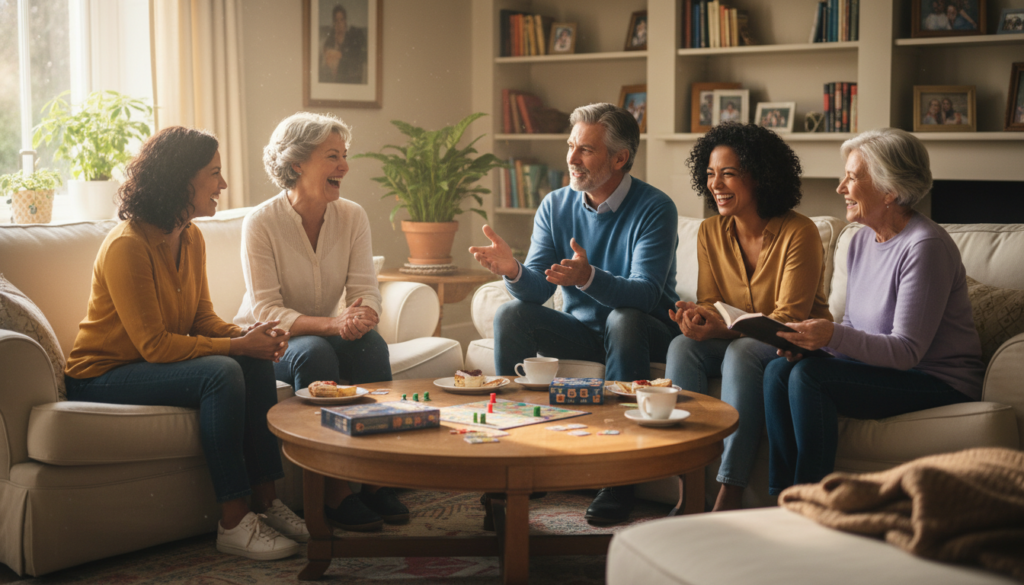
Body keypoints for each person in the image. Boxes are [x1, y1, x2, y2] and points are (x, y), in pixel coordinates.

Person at [63, 127, 307, 560]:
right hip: (102, 374)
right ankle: (232, 521)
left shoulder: (190, 236)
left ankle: (267, 502)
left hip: (145, 365)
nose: (224, 185)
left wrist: (247, 335)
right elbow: (154, 346)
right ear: (180, 180)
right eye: (214, 173)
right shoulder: (127, 246)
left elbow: (201, 320)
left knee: (249, 362)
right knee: (224, 370)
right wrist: (236, 349)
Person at [469, 103, 679, 525]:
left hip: (646, 328)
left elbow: (644, 293)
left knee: (623, 317)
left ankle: (619, 479)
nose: (571, 158)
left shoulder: (655, 208)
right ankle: (517, 460)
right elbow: (538, 288)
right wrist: (513, 270)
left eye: (586, 149)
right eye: (571, 146)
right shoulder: (555, 204)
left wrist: (587, 278)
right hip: (585, 332)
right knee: (512, 315)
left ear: (620, 158)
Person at [763, 128, 983, 495]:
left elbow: (906, 351)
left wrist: (832, 335)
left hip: (938, 381)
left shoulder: (924, 246)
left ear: (889, 190)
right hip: (885, 370)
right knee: (778, 370)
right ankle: (781, 498)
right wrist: (815, 344)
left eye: (852, 177)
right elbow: (853, 325)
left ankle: (813, 499)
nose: (840, 187)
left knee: (810, 378)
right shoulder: (861, 239)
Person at [238, 112, 404, 532]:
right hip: (269, 343)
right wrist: (334, 325)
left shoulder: (352, 216)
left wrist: (363, 314)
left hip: (327, 330)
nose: (344, 166)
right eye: (333, 156)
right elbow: (267, 312)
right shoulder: (261, 222)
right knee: (315, 351)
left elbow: (365, 288)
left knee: (371, 346)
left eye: (344, 155)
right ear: (297, 163)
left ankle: (375, 481)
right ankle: (333, 492)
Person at [664, 123, 831, 512]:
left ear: (759, 176)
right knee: (681, 345)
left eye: (728, 173)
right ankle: (688, 487)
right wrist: (697, 317)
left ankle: (730, 489)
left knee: (741, 354)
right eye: (709, 174)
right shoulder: (709, 231)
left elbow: (788, 318)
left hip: (789, 345)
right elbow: (710, 299)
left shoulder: (800, 232)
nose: (715, 184)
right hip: (738, 337)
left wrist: (723, 328)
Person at [319, 4, 368, 84]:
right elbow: (325, 53)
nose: (339, 23)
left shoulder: (352, 36)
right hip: (335, 79)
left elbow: (358, 56)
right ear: (333, 22)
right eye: (336, 20)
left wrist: (340, 55)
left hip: (349, 78)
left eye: (341, 19)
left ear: (345, 21)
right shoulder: (330, 38)